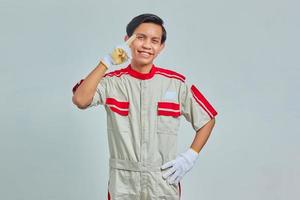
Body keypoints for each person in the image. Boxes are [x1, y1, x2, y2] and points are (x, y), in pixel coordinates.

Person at [72, 13, 218, 200]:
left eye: (154, 40)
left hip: (162, 180)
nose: (147, 45)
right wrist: (107, 61)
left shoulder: (176, 84)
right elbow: (80, 100)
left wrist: (190, 156)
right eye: (140, 38)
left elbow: (208, 119)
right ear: (127, 41)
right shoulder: (112, 83)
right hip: (123, 181)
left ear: (161, 47)